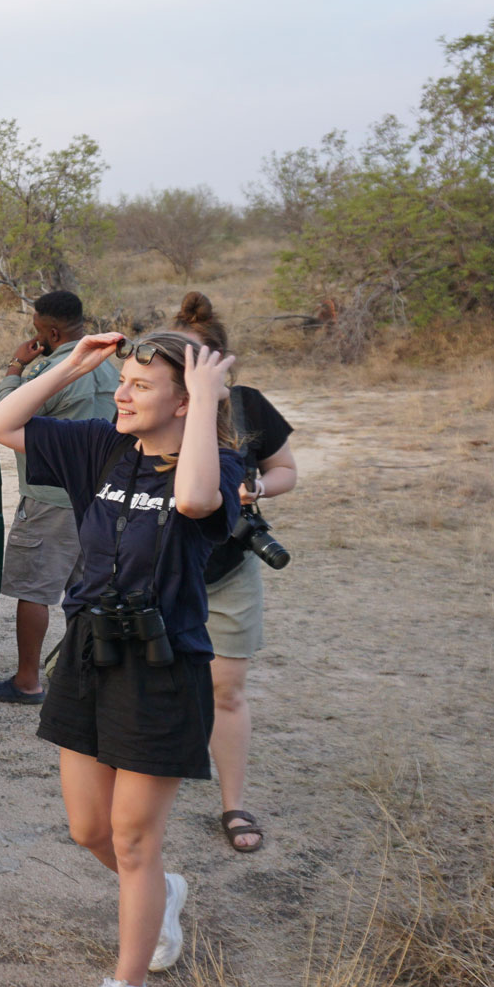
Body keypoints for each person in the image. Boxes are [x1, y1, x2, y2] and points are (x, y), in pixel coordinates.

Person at [0, 329, 242, 987]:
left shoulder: (214, 464)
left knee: (132, 840)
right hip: (90, 656)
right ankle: (163, 894)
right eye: (122, 381)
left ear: (185, 400)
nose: (122, 394)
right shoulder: (101, 446)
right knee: (90, 831)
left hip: (161, 668)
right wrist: (73, 365)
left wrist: (209, 402)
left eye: (140, 385)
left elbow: (192, 499)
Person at [171, 292, 299, 854]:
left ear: (223, 364)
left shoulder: (248, 408)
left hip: (228, 568)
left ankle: (233, 803)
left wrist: (259, 489)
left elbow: (286, 470)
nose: (187, 374)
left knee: (227, 690)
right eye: (177, 362)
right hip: (168, 567)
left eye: (198, 361)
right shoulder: (153, 405)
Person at [0, 291, 119, 705]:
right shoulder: (108, 368)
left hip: (49, 497)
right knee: (87, 592)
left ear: (52, 332)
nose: (34, 334)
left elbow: (6, 411)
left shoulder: (55, 371)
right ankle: (90, 677)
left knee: (36, 590)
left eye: (38, 329)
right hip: (97, 498)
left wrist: (17, 365)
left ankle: (28, 680)